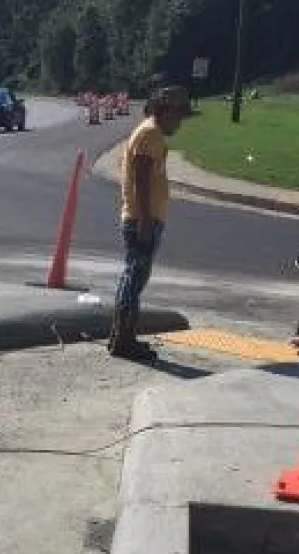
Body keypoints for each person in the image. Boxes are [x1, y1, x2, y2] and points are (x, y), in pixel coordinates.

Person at [110, 86, 192, 361]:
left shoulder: (150, 132)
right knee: (134, 279)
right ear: (165, 111)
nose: (180, 123)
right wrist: (145, 218)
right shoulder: (150, 134)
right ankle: (124, 339)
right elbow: (141, 179)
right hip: (141, 219)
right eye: (178, 116)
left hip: (143, 217)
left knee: (133, 278)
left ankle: (122, 335)